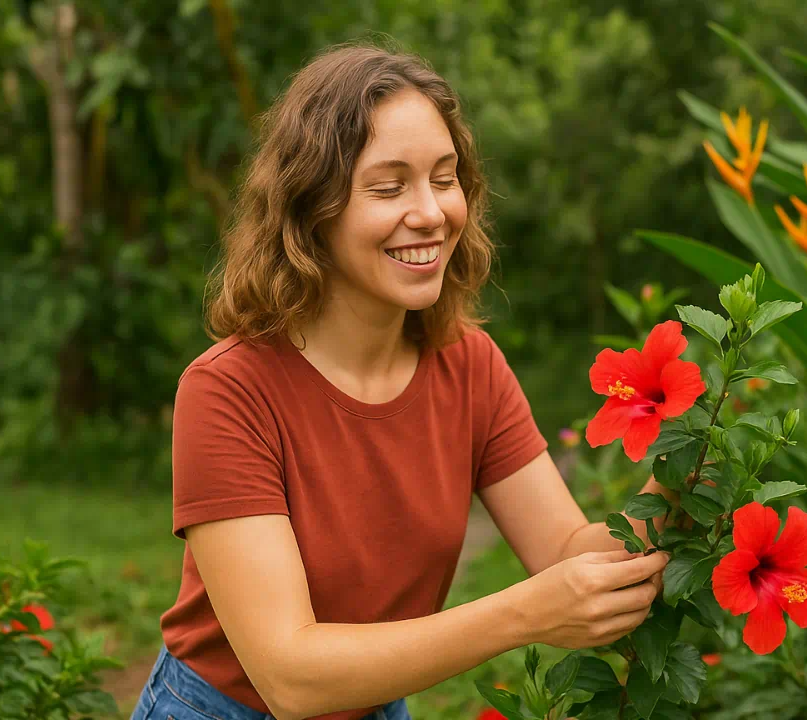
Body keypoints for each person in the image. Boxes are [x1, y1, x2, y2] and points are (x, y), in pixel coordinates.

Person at [129, 43, 670, 720]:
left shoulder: (469, 365)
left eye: (445, 179)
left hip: (374, 705)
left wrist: (680, 474)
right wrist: (523, 615)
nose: (431, 213)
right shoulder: (229, 391)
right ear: (311, 209)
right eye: (389, 187)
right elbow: (290, 677)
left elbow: (568, 553)